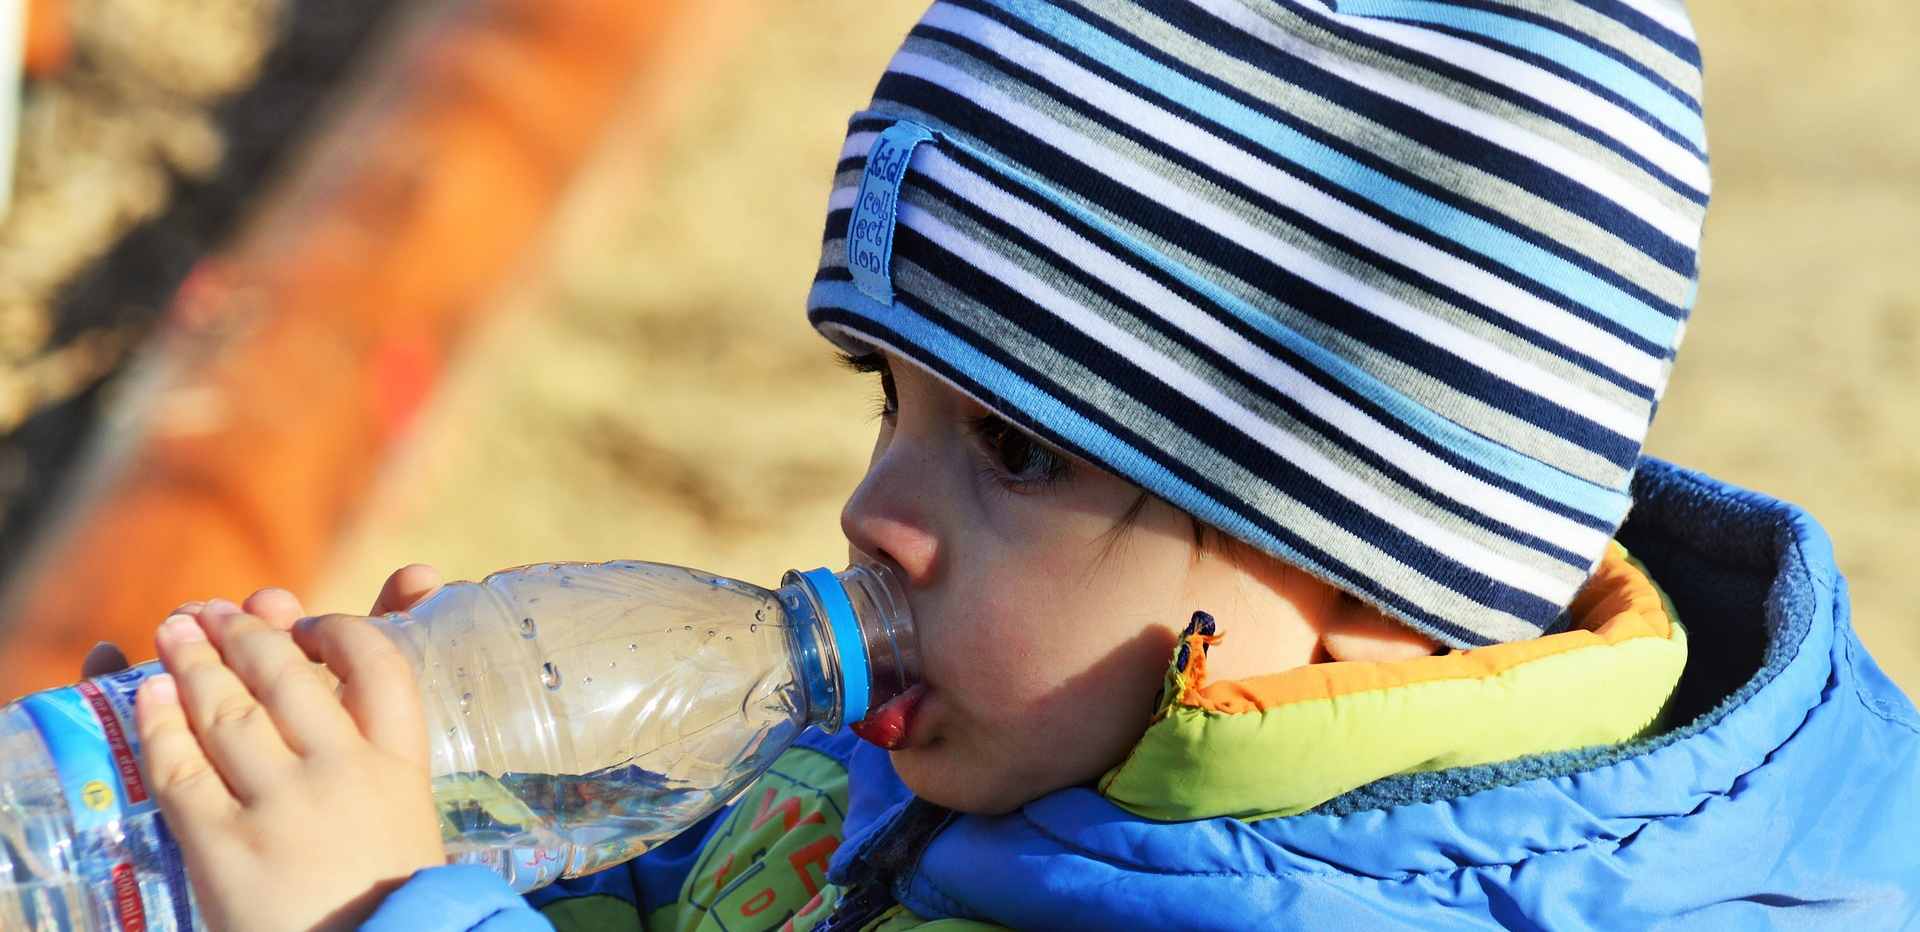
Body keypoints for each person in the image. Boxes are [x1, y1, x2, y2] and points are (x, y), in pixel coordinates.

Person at [112, 1, 1920, 928]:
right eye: (884, 401)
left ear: (1370, 584)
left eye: (1015, 449)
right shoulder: (991, 753)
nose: (872, 513)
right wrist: (506, 829)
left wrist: (378, 913)